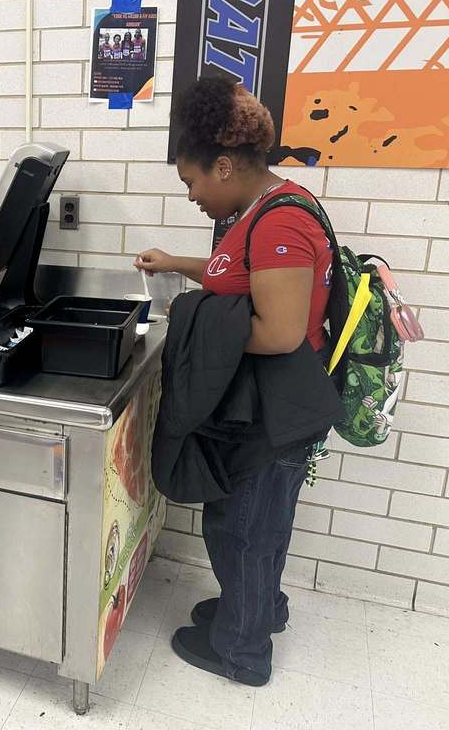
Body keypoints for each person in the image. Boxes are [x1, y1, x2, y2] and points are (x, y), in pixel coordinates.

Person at [136, 77, 334, 685]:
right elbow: (236, 275)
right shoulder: (265, 210)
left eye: (192, 181)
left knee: (242, 529)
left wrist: (190, 322)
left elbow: (277, 331)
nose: (192, 194)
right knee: (262, 524)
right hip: (266, 406)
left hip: (272, 412)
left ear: (224, 166)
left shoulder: (278, 225)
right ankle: (260, 610)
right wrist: (178, 266)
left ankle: (242, 653)